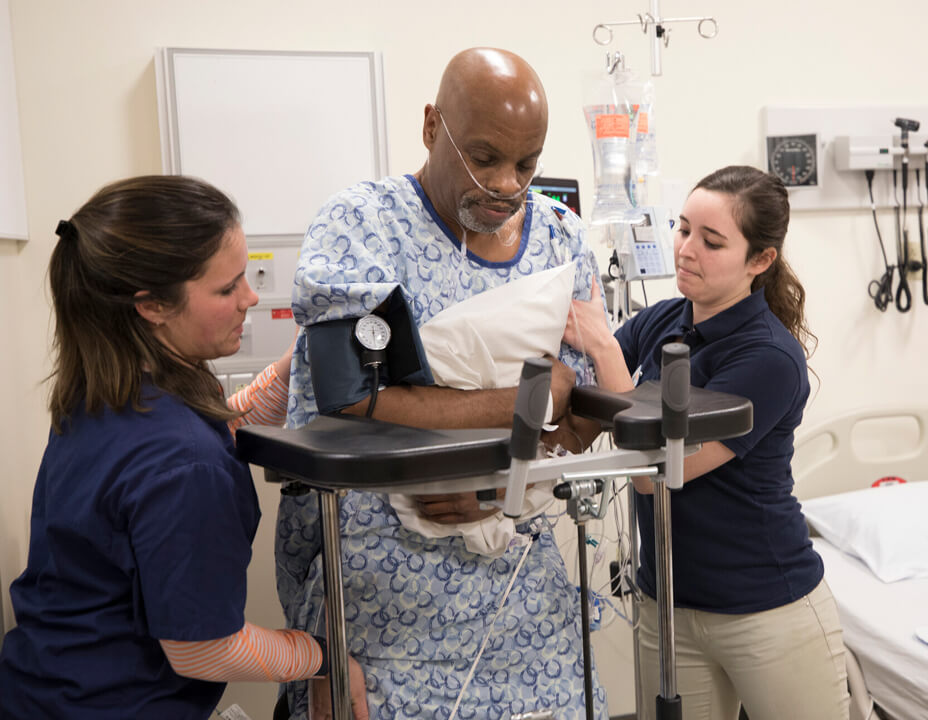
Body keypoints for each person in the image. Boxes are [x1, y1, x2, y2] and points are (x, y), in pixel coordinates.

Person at [275, 47, 608, 720]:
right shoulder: (362, 226)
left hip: (518, 584)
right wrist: (525, 402)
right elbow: (350, 397)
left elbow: (582, 419)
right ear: (432, 126)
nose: (506, 185)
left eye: (527, 164)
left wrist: (498, 488)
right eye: (484, 158)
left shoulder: (560, 239)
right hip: (379, 591)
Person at [0, 176, 368, 720]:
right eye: (227, 289)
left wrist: (291, 371)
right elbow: (204, 650)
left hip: (44, 686)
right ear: (152, 305)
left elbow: (211, 428)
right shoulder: (182, 462)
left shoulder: (107, 390)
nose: (251, 298)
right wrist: (323, 655)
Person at [563, 165, 851, 720]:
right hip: (668, 605)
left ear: (760, 261)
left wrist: (603, 347)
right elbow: (582, 401)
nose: (686, 250)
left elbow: (653, 474)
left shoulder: (769, 358)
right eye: (682, 228)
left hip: (767, 610)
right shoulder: (661, 321)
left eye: (712, 241)